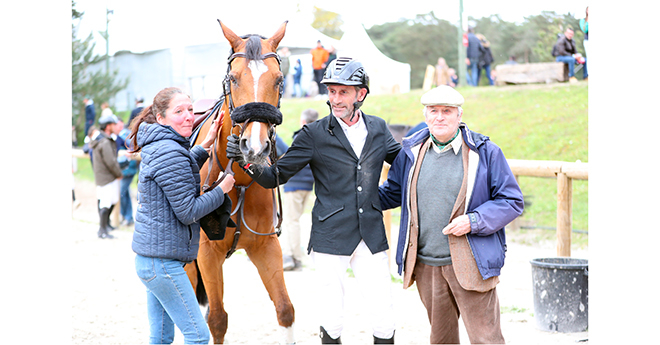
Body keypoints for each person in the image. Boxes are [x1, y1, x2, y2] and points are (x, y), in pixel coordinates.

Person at [227, 57, 400, 344]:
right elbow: (274, 177)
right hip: (330, 238)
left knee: (384, 316)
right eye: (331, 91)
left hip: (371, 235)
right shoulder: (313, 134)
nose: (335, 99)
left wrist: (383, 199)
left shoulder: (379, 129)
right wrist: (245, 161)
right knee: (333, 318)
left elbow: (405, 165)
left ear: (361, 94)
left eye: (343, 92)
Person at [379, 85, 524, 344]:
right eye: (434, 111)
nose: (440, 117)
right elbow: (392, 194)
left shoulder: (485, 152)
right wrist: (353, 193)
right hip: (426, 265)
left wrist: (474, 221)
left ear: (459, 115)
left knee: (486, 339)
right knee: (441, 339)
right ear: (425, 116)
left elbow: (511, 201)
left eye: (447, 111)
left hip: (472, 264)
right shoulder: (411, 152)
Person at [128, 87, 235, 345]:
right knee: (197, 336)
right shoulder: (169, 152)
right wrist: (222, 189)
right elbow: (188, 211)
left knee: (162, 337)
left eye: (190, 109)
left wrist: (205, 144)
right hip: (163, 265)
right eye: (179, 111)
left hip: (152, 260)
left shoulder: (164, 145)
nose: (188, 116)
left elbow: (179, 169)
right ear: (161, 118)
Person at [280, 108, 319, 271]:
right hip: (308, 184)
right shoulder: (317, 137)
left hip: (294, 184)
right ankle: (294, 255)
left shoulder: (301, 136)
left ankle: (292, 256)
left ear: (303, 121)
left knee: (291, 221)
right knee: (295, 220)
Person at [89, 113, 123, 239]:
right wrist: (118, 174)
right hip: (106, 177)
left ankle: (106, 226)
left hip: (105, 176)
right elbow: (111, 162)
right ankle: (102, 230)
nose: (116, 126)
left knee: (111, 201)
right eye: (114, 124)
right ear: (108, 126)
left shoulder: (102, 139)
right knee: (105, 203)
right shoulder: (104, 142)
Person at [117, 120, 138, 226]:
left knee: (121, 192)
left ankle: (127, 217)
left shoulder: (124, 134)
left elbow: (134, 145)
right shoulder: (118, 135)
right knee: (124, 193)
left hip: (128, 168)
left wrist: (131, 150)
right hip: (123, 168)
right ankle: (127, 217)